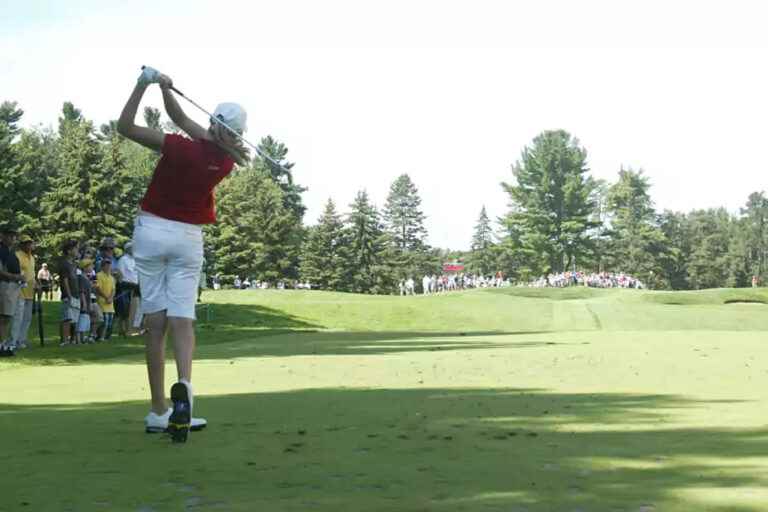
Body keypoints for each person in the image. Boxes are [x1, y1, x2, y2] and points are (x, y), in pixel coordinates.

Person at [117, 65, 249, 442]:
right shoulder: (225, 159)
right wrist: (166, 89)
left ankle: (159, 407)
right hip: (188, 239)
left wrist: (144, 85)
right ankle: (185, 392)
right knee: (183, 320)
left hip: (152, 232)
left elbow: (125, 127)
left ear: (213, 122)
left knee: (154, 323)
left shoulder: (180, 147)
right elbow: (181, 118)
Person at [11, 234, 37, 349]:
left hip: (30, 292)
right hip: (19, 291)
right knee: (18, 318)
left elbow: (32, 274)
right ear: (21, 244)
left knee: (27, 318)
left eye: (30, 243)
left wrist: (37, 283)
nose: (29, 245)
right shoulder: (17, 256)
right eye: (26, 243)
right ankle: (13, 341)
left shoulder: (32, 258)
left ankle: (21, 340)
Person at [0, 224, 23, 355]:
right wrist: (16, 276)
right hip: (5, 285)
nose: (12, 238)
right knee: (3, 317)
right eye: (9, 235)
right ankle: (1, 345)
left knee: (7, 317)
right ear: (2, 236)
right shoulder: (1, 250)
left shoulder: (10, 252)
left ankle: (4, 344)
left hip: (13, 286)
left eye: (14, 236)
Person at [115, 242, 140, 336]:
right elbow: (120, 274)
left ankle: (130, 329)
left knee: (133, 310)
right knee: (124, 309)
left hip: (135, 286)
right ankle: (122, 330)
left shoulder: (135, 260)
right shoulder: (123, 259)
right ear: (128, 249)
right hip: (125, 286)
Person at [58, 239, 80, 346]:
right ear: (69, 250)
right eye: (75, 248)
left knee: (75, 319)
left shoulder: (74, 264)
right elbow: (65, 280)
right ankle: (65, 340)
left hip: (76, 294)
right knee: (67, 318)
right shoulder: (64, 264)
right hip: (68, 295)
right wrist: (69, 294)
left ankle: (73, 339)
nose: (77, 250)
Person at [95, 259, 116, 341]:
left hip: (110, 303)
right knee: (104, 321)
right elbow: (98, 288)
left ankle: (107, 337)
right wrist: (106, 297)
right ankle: (100, 337)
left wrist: (111, 298)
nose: (108, 267)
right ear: (102, 266)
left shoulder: (112, 278)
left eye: (109, 265)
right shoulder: (98, 275)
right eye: (106, 265)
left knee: (110, 322)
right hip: (102, 301)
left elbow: (113, 290)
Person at [76, 259, 94, 344]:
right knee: (81, 321)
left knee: (84, 321)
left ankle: (82, 339)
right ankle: (78, 340)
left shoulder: (86, 277)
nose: (92, 267)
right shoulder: (81, 278)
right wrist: (84, 304)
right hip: (83, 303)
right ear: (85, 267)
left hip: (87, 301)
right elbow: (81, 292)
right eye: (90, 265)